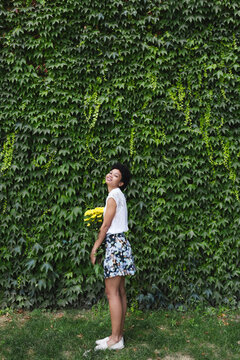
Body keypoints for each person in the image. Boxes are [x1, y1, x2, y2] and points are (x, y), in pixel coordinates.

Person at [90, 162, 136, 351]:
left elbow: (105, 227)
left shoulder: (113, 196)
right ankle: (117, 336)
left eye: (116, 175)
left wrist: (94, 248)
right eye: (110, 173)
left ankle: (116, 339)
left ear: (121, 182)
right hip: (122, 244)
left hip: (115, 247)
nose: (110, 175)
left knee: (112, 293)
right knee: (120, 292)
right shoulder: (119, 195)